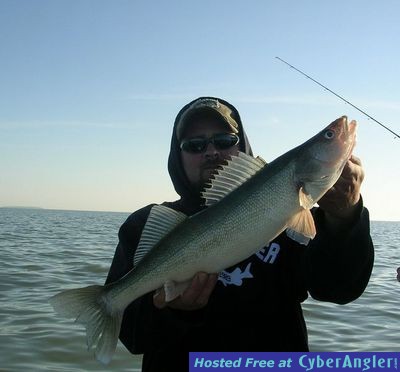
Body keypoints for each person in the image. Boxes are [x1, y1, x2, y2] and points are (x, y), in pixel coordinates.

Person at [106, 97, 374, 372]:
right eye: (195, 145)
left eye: (224, 140)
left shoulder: (291, 219)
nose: (211, 151)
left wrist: (345, 218)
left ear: (242, 145)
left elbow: (338, 290)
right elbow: (133, 336)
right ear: (178, 155)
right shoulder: (145, 224)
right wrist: (174, 312)